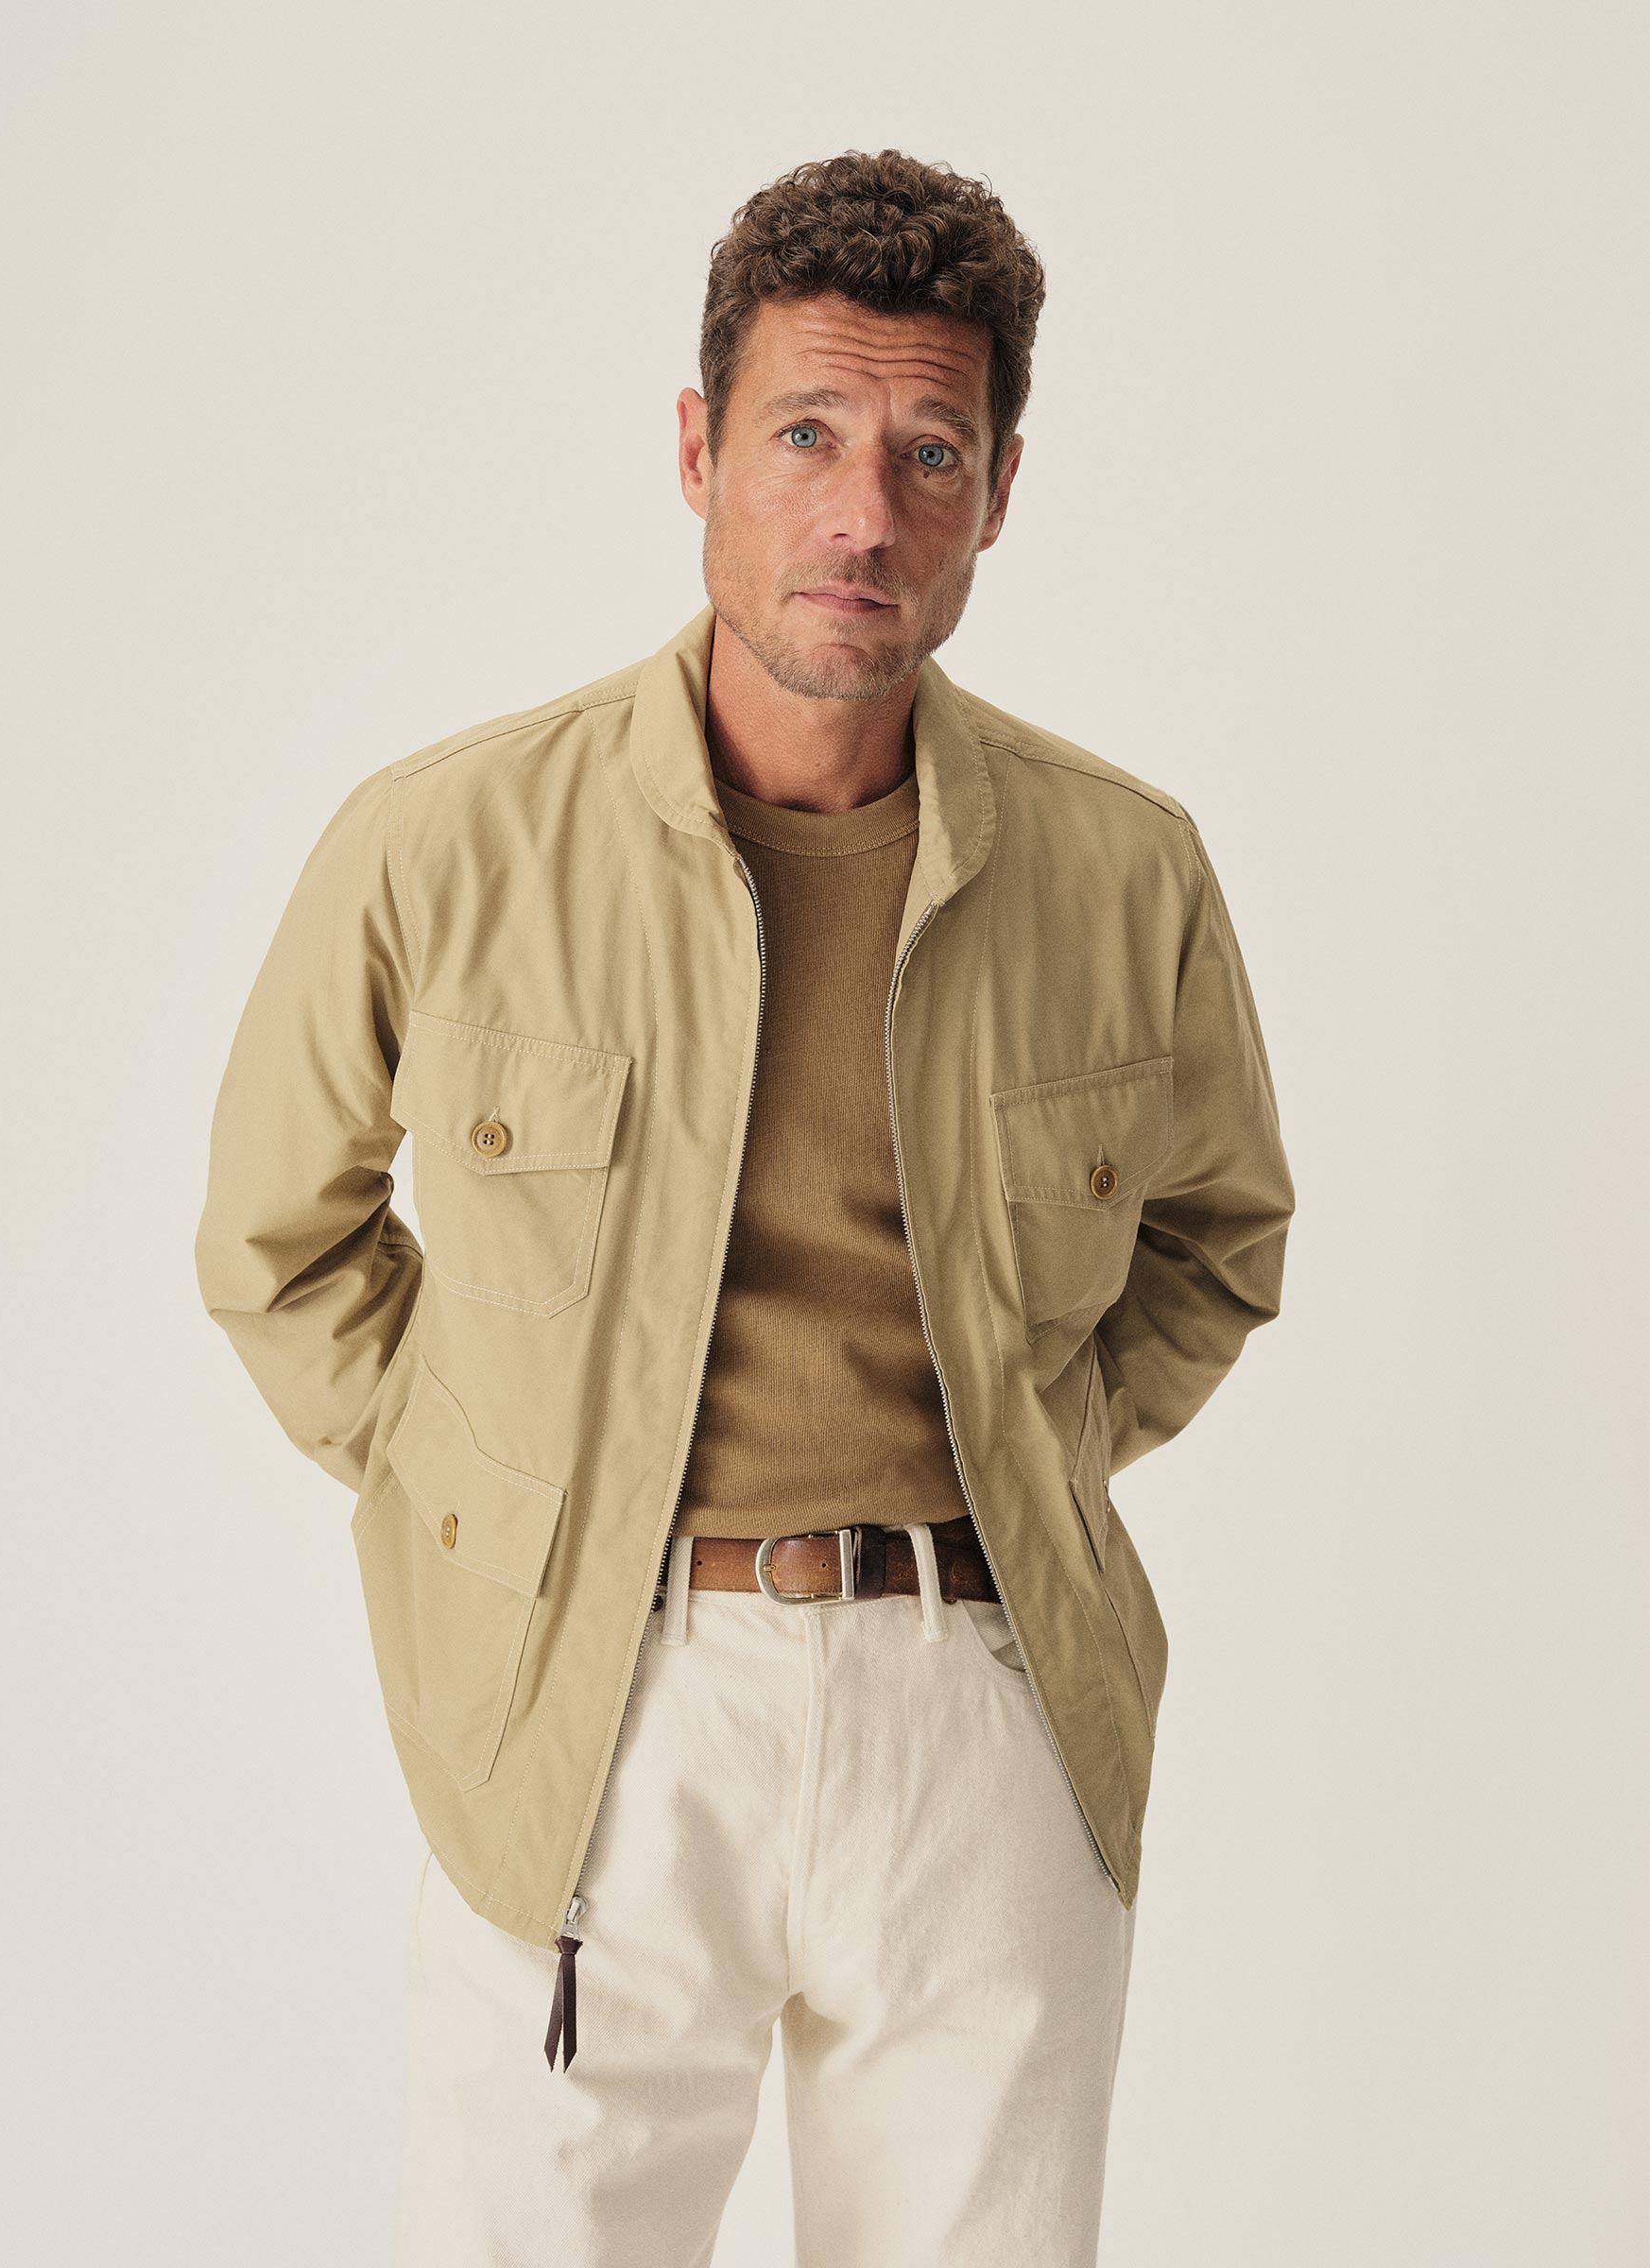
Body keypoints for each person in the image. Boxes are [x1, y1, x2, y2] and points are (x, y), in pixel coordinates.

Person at [195, 146, 1296, 2268]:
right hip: (592, 1717)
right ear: (699, 452)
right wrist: (503, 1503)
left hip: (984, 1701)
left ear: (998, 493)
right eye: (806, 434)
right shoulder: (447, 846)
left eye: (929, 450)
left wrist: (1035, 1449)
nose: (863, 510)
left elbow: (1219, 1238)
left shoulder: (1122, 872)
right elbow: (278, 1241)